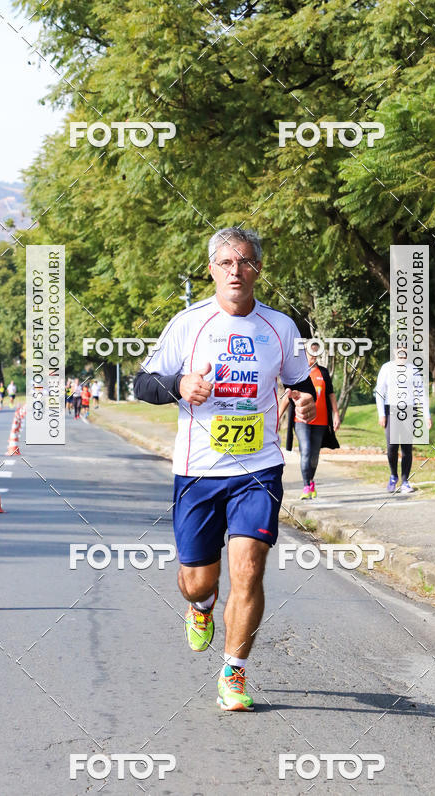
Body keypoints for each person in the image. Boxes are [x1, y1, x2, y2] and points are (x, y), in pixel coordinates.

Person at [134, 227, 316, 712]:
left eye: (246, 261)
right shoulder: (188, 324)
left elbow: (303, 383)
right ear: (212, 269)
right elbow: (142, 384)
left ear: (258, 268)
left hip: (258, 470)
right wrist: (179, 384)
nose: (237, 271)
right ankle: (200, 607)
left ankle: (233, 672)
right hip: (198, 471)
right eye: (227, 262)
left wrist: (303, 399)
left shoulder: (281, 328)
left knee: (250, 570)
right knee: (198, 579)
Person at [280, 343, 340, 499]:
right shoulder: (299, 373)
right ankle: (306, 486)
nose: (313, 355)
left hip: (320, 420)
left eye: (316, 352)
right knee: (305, 451)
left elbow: (331, 394)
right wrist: (277, 417)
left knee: (314, 455)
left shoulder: (324, 372)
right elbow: (288, 396)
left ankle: (311, 481)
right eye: (310, 352)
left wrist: (336, 414)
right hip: (301, 420)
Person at [375, 351, 432, 494]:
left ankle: (405, 481)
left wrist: (427, 415)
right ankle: (393, 475)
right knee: (392, 447)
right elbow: (380, 392)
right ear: (394, 352)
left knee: (406, 447)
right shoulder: (387, 368)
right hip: (391, 410)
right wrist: (382, 414)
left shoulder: (413, 369)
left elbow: (421, 393)